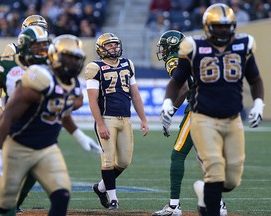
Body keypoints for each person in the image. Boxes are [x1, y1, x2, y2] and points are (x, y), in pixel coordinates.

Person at [0, 26, 100, 214]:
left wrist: (79, 135)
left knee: (62, 196)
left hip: (47, 148)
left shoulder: (69, 81)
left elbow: (60, 108)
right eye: (69, 57)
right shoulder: (39, 77)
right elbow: (9, 115)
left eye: (76, 58)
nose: (73, 63)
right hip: (18, 145)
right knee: (4, 204)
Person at [162, 3, 264, 216]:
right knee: (210, 165)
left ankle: (206, 195)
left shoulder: (243, 45)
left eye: (225, 26)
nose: (222, 30)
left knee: (231, 179)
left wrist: (258, 102)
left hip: (231, 117)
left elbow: (255, 79)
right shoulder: (193, 47)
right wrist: (167, 104)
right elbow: (178, 81)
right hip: (202, 114)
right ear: (208, 26)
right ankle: (202, 204)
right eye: (217, 26)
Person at [152, 30, 227, 216]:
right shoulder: (197, 53)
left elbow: (184, 87)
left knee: (178, 154)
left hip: (199, 108)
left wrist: (170, 110)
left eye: (164, 46)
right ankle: (219, 204)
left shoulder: (174, 58)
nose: (163, 50)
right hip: (217, 106)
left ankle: (173, 206)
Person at [85, 33, 149, 210]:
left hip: (125, 119)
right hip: (107, 118)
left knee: (123, 162)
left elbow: (135, 94)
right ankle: (113, 199)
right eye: (109, 45)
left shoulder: (128, 64)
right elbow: (92, 100)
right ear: (101, 49)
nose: (114, 48)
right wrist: (100, 124)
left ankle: (100, 188)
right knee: (107, 160)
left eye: (115, 45)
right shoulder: (94, 67)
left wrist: (143, 119)